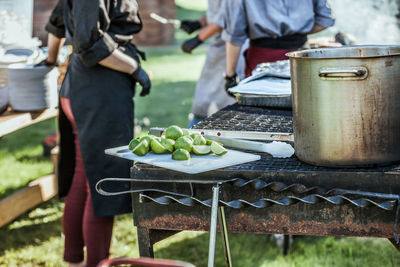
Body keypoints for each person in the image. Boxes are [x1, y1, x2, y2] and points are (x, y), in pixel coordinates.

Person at [41, 0, 151, 266]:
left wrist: (51, 59)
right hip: (96, 90)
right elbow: (90, 45)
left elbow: (57, 23)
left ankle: (75, 260)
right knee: (104, 184)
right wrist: (135, 69)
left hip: (82, 86)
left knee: (84, 176)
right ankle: (96, 263)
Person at [222, 0, 335, 90]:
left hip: (262, 60)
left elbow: (234, 35)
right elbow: (325, 20)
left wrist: (230, 76)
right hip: (302, 57)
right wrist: (296, 31)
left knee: (262, 112)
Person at [180, 0, 245, 128]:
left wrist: (198, 38)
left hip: (230, 48)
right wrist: (199, 23)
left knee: (227, 103)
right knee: (203, 99)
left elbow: (225, 17)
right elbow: (216, 12)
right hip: (216, 48)